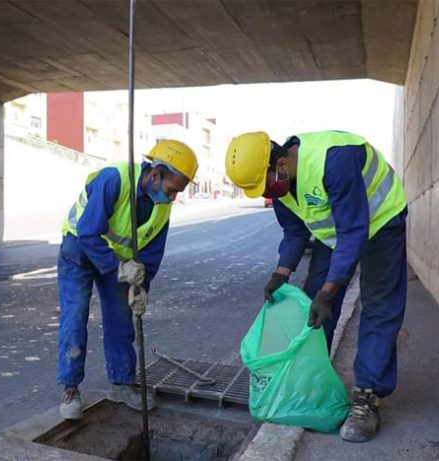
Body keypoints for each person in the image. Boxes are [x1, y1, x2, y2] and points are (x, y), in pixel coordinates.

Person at [225, 130, 408, 443]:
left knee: (378, 306)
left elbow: (354, 231)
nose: (267, 193)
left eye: (265, 185)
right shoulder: (281, 186)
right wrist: (281, 273)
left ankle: (366, 396)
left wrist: (330, 291)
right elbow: (295, 233)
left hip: (380, 222)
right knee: (313, 305)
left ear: (281, 164)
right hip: (337, 231)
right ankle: (312, 382)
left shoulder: (335, 159)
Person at [56, 140, 198, 420]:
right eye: (171, 190)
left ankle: (121, 384)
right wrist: (119, 270)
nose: (172, 198)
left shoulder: (162, 207)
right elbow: (87, 233)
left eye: (177, 193)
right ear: (155, 175)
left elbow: (152, 254)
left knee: (121, 319)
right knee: (75, 316)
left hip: (117, 261)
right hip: (79, 251)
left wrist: (141, 288)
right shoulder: (114, 179)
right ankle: (70, 388)